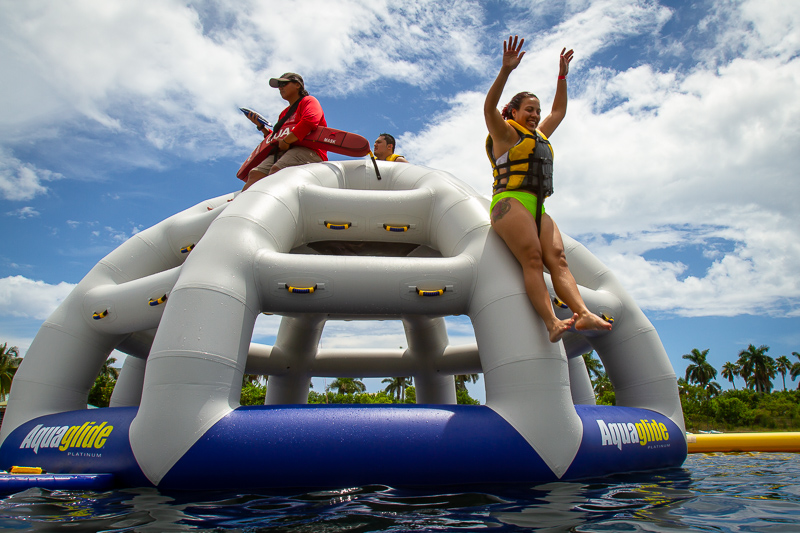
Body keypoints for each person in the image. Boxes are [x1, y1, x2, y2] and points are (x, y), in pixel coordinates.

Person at [484, 36, 612, 343]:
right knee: (533, 258)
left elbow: (559, 112)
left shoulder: (538, 135)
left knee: (558, 259)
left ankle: (581, 313)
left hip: (539, 207)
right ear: (513, 113)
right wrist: (505, 71)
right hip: (509, 202)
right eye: (529, 109)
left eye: (536, 111)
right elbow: (488, 107)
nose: (535, 115)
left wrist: (562, 77)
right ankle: (552, 321)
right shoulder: (504, 134)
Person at [242, 72, 328, 191]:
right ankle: (238, 204)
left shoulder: (308, 101)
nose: (280, 88)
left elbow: (309, 121)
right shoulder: (283, 114)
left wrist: (287, 141)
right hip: (286, 151)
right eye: (279, 85)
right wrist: (261, 127)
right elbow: (278, 137)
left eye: (284, 84)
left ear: (297, 85)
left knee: (278, 170)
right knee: (255, 174)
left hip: (309, 151)